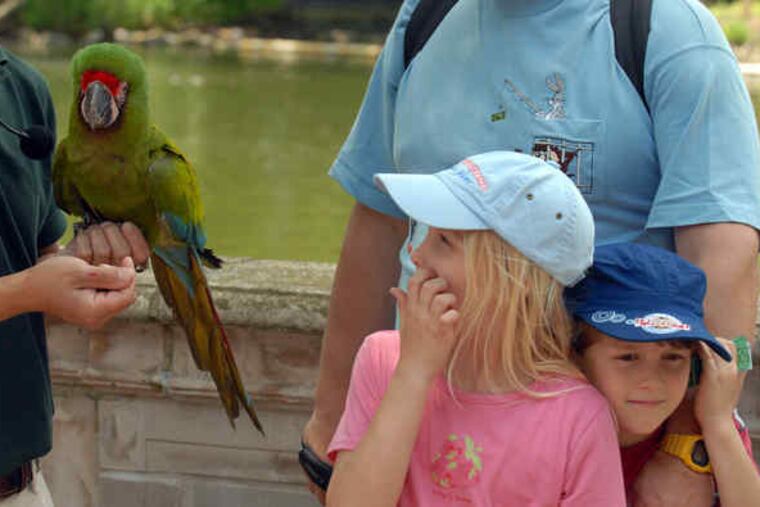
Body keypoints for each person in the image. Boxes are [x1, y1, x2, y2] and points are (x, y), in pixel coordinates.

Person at [304, 0, 760, 503]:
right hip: (416, 419)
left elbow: (725, 251)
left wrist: (689, 449)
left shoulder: (666, 27)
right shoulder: (425, 15)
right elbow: (378, 216)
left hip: (603, 442)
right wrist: (329, 418)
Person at [325, 151, 625, 506]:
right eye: (425, 233)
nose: (416, 254)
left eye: (444, 241)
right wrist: (414, 372)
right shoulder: (385, 360)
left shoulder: (578, 417)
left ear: (513, 278)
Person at [0, 46, 150, 506]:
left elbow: (36, 260)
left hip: (19, 484)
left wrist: (85, 266)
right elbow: (27, 287)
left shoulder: (21, 87)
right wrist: (29, 291)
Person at [568, 242, 759, 506]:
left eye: (673, 357)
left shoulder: (707, 417)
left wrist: (718, 423)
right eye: (628, 357)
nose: (652, 380)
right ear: (575, 354)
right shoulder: (557, 427)